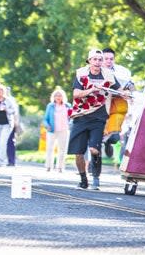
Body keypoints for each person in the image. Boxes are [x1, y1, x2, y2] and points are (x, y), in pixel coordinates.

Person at [67, 49, 126, 190]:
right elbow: (76, 94)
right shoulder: (81, 74)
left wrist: (126, 93)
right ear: (89, 61)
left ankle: (96, 176)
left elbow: (120, 89)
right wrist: (91, 90)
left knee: (94, 149)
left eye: (100, 59)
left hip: (99, 118)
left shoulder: (108, 75)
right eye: (95, 59)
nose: (98, 62)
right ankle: (83, 178)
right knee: (79, 153)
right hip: (81, 115)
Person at [102, 47, 133, 158]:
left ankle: (108, 142)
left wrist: (130, 91)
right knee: (98, 133)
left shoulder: (122, 71)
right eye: (106, 59)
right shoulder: (95, 70)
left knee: (114, 137)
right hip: (100, 103)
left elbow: (131, 85)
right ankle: (93, 164)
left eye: (111, 59)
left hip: (117, 102)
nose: (109, 61)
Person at [43, 88, 71, 172]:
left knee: (62, 149)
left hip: (64, 130)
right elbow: (45, 119)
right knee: (49, 148)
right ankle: (48, 166)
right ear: (53, 97)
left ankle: (60, 167)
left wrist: (71, 124)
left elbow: (72, 117)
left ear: (63, 97)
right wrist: (47, 125)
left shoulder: (68, 106)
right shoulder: (50, 106)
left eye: (60, 95)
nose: (58, 97)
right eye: (56, 95)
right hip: (52, 130)